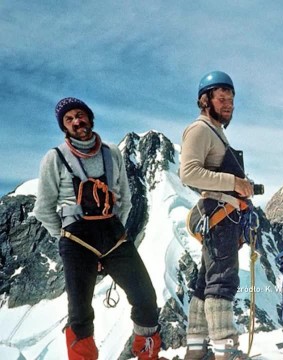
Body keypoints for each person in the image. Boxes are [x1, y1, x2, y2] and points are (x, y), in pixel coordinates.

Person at [34, 97, 162, 360]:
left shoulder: (112, 152)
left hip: (113, 236)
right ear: (64, 127)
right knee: (79, 312)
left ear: (90, 118)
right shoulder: (54, 158)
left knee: (145, 297)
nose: (76, 121)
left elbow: (124, 198)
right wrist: (65, 237)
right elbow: (44, 208)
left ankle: (148, 355)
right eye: (69, 119)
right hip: (76, 239)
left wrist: (115, 231)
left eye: (80, 115)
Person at [180, 71, 254, 360]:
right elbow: (188, 172)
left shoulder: (215, 132)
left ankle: (196, 349)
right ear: (204, 100)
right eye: (222, 98)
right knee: (222, 281)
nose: (228, 104)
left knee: (205, 281)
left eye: (231, 100)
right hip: (220, 215)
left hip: (222, 215)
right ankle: (226, 349)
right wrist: (234, 184)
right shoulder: (199, 130)